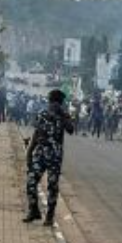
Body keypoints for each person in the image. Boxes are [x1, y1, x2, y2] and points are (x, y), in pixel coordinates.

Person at [23, 89, 75, 226]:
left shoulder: (64, 115)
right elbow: (36, 134)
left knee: (52, 186)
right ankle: (33, 210)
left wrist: (63, 115)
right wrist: (29, 153)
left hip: (55, 156)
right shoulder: (42, 114)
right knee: (31, 182)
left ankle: (50, 216)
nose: (53, 105)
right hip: (40, 153)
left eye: (56, 103)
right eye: (53, 102)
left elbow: (71, 130)